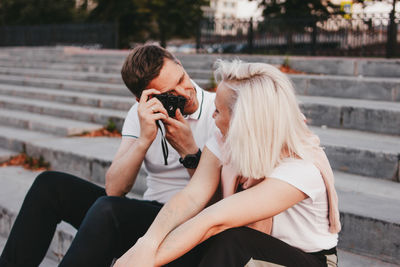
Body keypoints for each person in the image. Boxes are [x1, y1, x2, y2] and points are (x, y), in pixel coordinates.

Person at [0, 44, 216, 267]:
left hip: (189, 223)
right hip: (149, 213)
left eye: (181, 79)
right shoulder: (140, 115)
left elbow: (218, 200)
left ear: (179, 64)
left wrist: (188, 151)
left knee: (108, 210)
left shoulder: (215, 112)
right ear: (144, 98)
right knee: (49, 186)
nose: (184, 92)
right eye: (169, 94)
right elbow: (115, 189)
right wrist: (143, 141)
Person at [115, 60, 341, 267]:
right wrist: (146, 244)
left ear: (242, 122)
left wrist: (139, 263)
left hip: (308, 260)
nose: (212, 115)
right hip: (252, 248)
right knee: (200, 243)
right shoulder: (224, 138)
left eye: (218, 110)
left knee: (230, 240)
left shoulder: (301, 168)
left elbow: (214, 220)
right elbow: (192, 196)